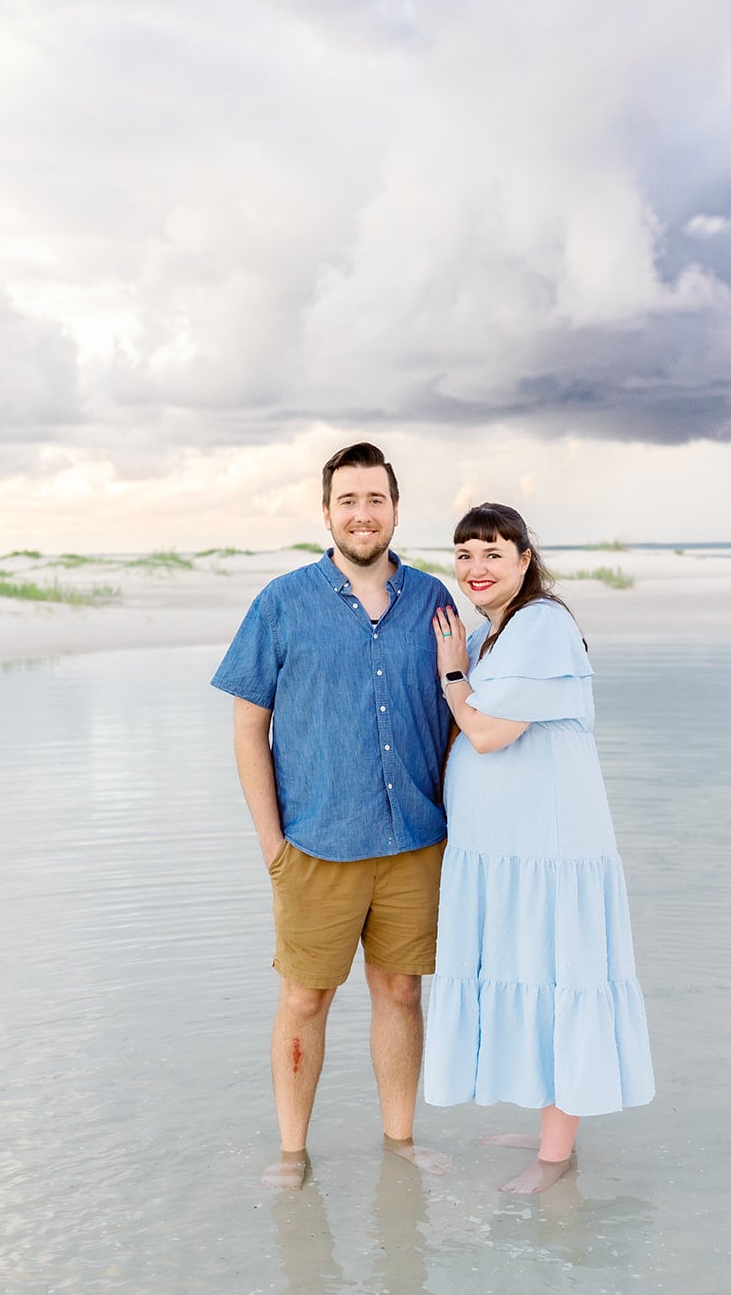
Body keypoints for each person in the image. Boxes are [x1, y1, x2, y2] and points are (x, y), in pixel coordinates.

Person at [211, 443, 453, 1189]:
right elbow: (249, 723)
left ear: (394, 511)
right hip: (314, 842)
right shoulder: (282, 602)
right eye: (347, 500)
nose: (361, 513)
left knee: (401, 991)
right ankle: (292, 1154)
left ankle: (399, 1143)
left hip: (415, 838)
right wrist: (270, 842)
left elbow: (458, 709)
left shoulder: (434, 602)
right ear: (326, 513)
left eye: (374, 499)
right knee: (304, 996)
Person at [423, 503, 655, 1193]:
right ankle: (555, 1122)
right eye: (463, 554)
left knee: (557, 977)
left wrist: (452, 674)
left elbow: (489, 734)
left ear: (525, 558)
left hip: (547, 851)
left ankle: (556, 1159)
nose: (475, 568)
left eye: (492, 552)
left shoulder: (541, 623)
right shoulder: (499, 631)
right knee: (529, 972)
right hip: (506, 849)